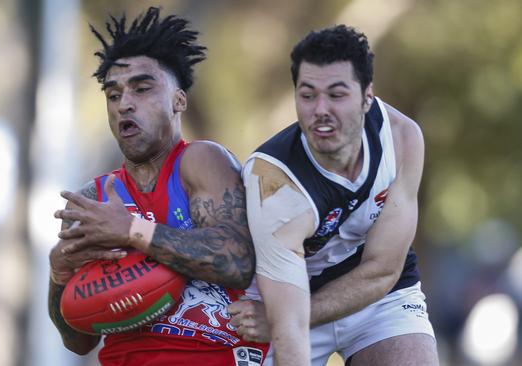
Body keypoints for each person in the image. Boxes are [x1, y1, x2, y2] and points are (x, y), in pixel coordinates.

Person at [47, 7, 269, 366]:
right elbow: (78, 342)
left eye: (142, 88)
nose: (125, 104)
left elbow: (236, 260)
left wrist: (132, 231)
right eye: (113, 95)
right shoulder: (93, 199)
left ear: (179, 100)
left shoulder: (201, 161)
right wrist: (59, 277)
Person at [228, 25, 439, 366]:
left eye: (337, 94)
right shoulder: (274, 183)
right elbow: (288, 326)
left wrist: (297, 316)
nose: (320, 109)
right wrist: (284, 320)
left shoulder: (401, 139)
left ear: (367, 96)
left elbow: (383, 271)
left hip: (376, 295)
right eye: (308, 95)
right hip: (280, 305)